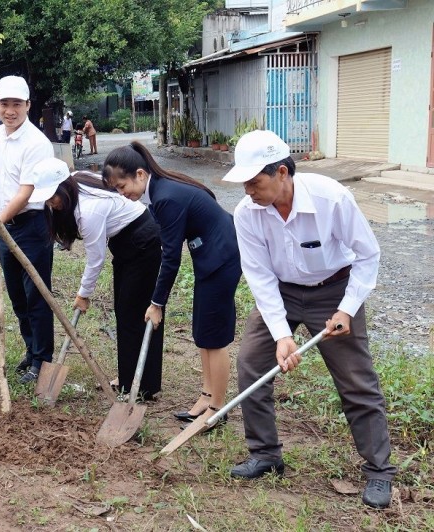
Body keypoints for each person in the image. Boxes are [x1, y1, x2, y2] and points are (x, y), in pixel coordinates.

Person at [223, 129, 396, 509]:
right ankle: (266, 454)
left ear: (282, 172)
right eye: (244, 184)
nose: (248, 191)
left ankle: (379, 471)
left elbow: (367, 254)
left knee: (356, 381)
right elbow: (260, 276)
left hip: (334, 291)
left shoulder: (331, 198)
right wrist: (282, 335)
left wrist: (347, 309)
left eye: (255, 182)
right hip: (281, 292)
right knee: (251, 364)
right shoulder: (247, 213)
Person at [102, 142, 241, 426]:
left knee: (213, 336)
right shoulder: (157, 192)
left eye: (122, 185)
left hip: (222, 257)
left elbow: (170, 257)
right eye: (116, 189)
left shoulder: (165, 197)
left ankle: (218, 408)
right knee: (202, 332)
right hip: (209, 256)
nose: (121, 193)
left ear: (140, 174)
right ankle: (206, 395)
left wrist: (157, 303)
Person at [28, 158, 164, 399]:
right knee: (124, 312)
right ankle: (127, 378)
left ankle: (142, 387)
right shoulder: (76, 184)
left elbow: (95, 259)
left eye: (52, 197)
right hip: (125, 241)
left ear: (64, 188)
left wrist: (83, 295)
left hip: (143, 241)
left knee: (136, 313)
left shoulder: (89, 211)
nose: (51, 203)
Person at [0, 76, 56, 384]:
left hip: (30, 226)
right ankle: (30, 351)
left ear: (28, 106)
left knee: (36, 295)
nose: (10, 111)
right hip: (6, 226)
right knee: (17, 295)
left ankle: (42, 360)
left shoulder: (36, 143)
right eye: (5, 104)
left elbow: (25, 192)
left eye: (17, 104)